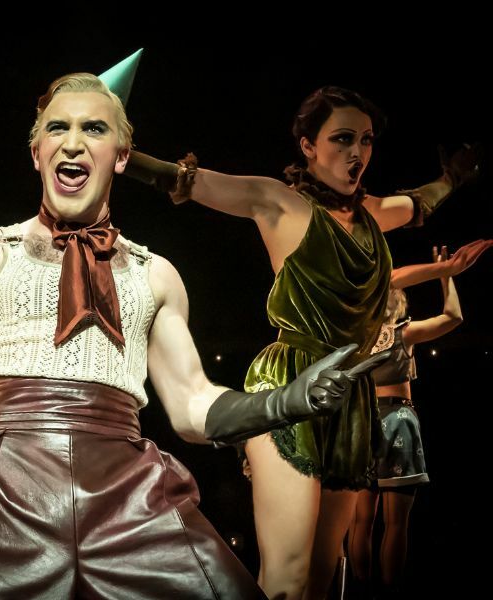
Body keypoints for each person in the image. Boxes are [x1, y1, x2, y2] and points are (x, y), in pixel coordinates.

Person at [0, 72, 386, 600]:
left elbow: (193, 407)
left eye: (95, 129)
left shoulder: (156, 274)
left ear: (123, 156)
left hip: (127, 498)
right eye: (58, 128)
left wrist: (288, 401)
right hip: (0, 490)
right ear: (37, 151)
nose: (74, 142)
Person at [122, 86, 480, 598]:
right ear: (308, 146)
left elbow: (419, 204)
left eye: (366, 141)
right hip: (289, 384)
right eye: (341, 139)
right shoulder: (280, 203)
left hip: (352, 398)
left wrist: (451, 179)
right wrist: (112, 148)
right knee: (288, 578)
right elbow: (186, 180)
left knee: (323, 577)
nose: (357, 152)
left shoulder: (371, 215)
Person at [349, 243, 489, 598]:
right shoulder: (403, 333)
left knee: (361, 520)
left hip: (363, 423)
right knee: (396, 523)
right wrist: (446, 276)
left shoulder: (356, 340)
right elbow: (453, 317)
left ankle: (357, 590)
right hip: (396, 420)